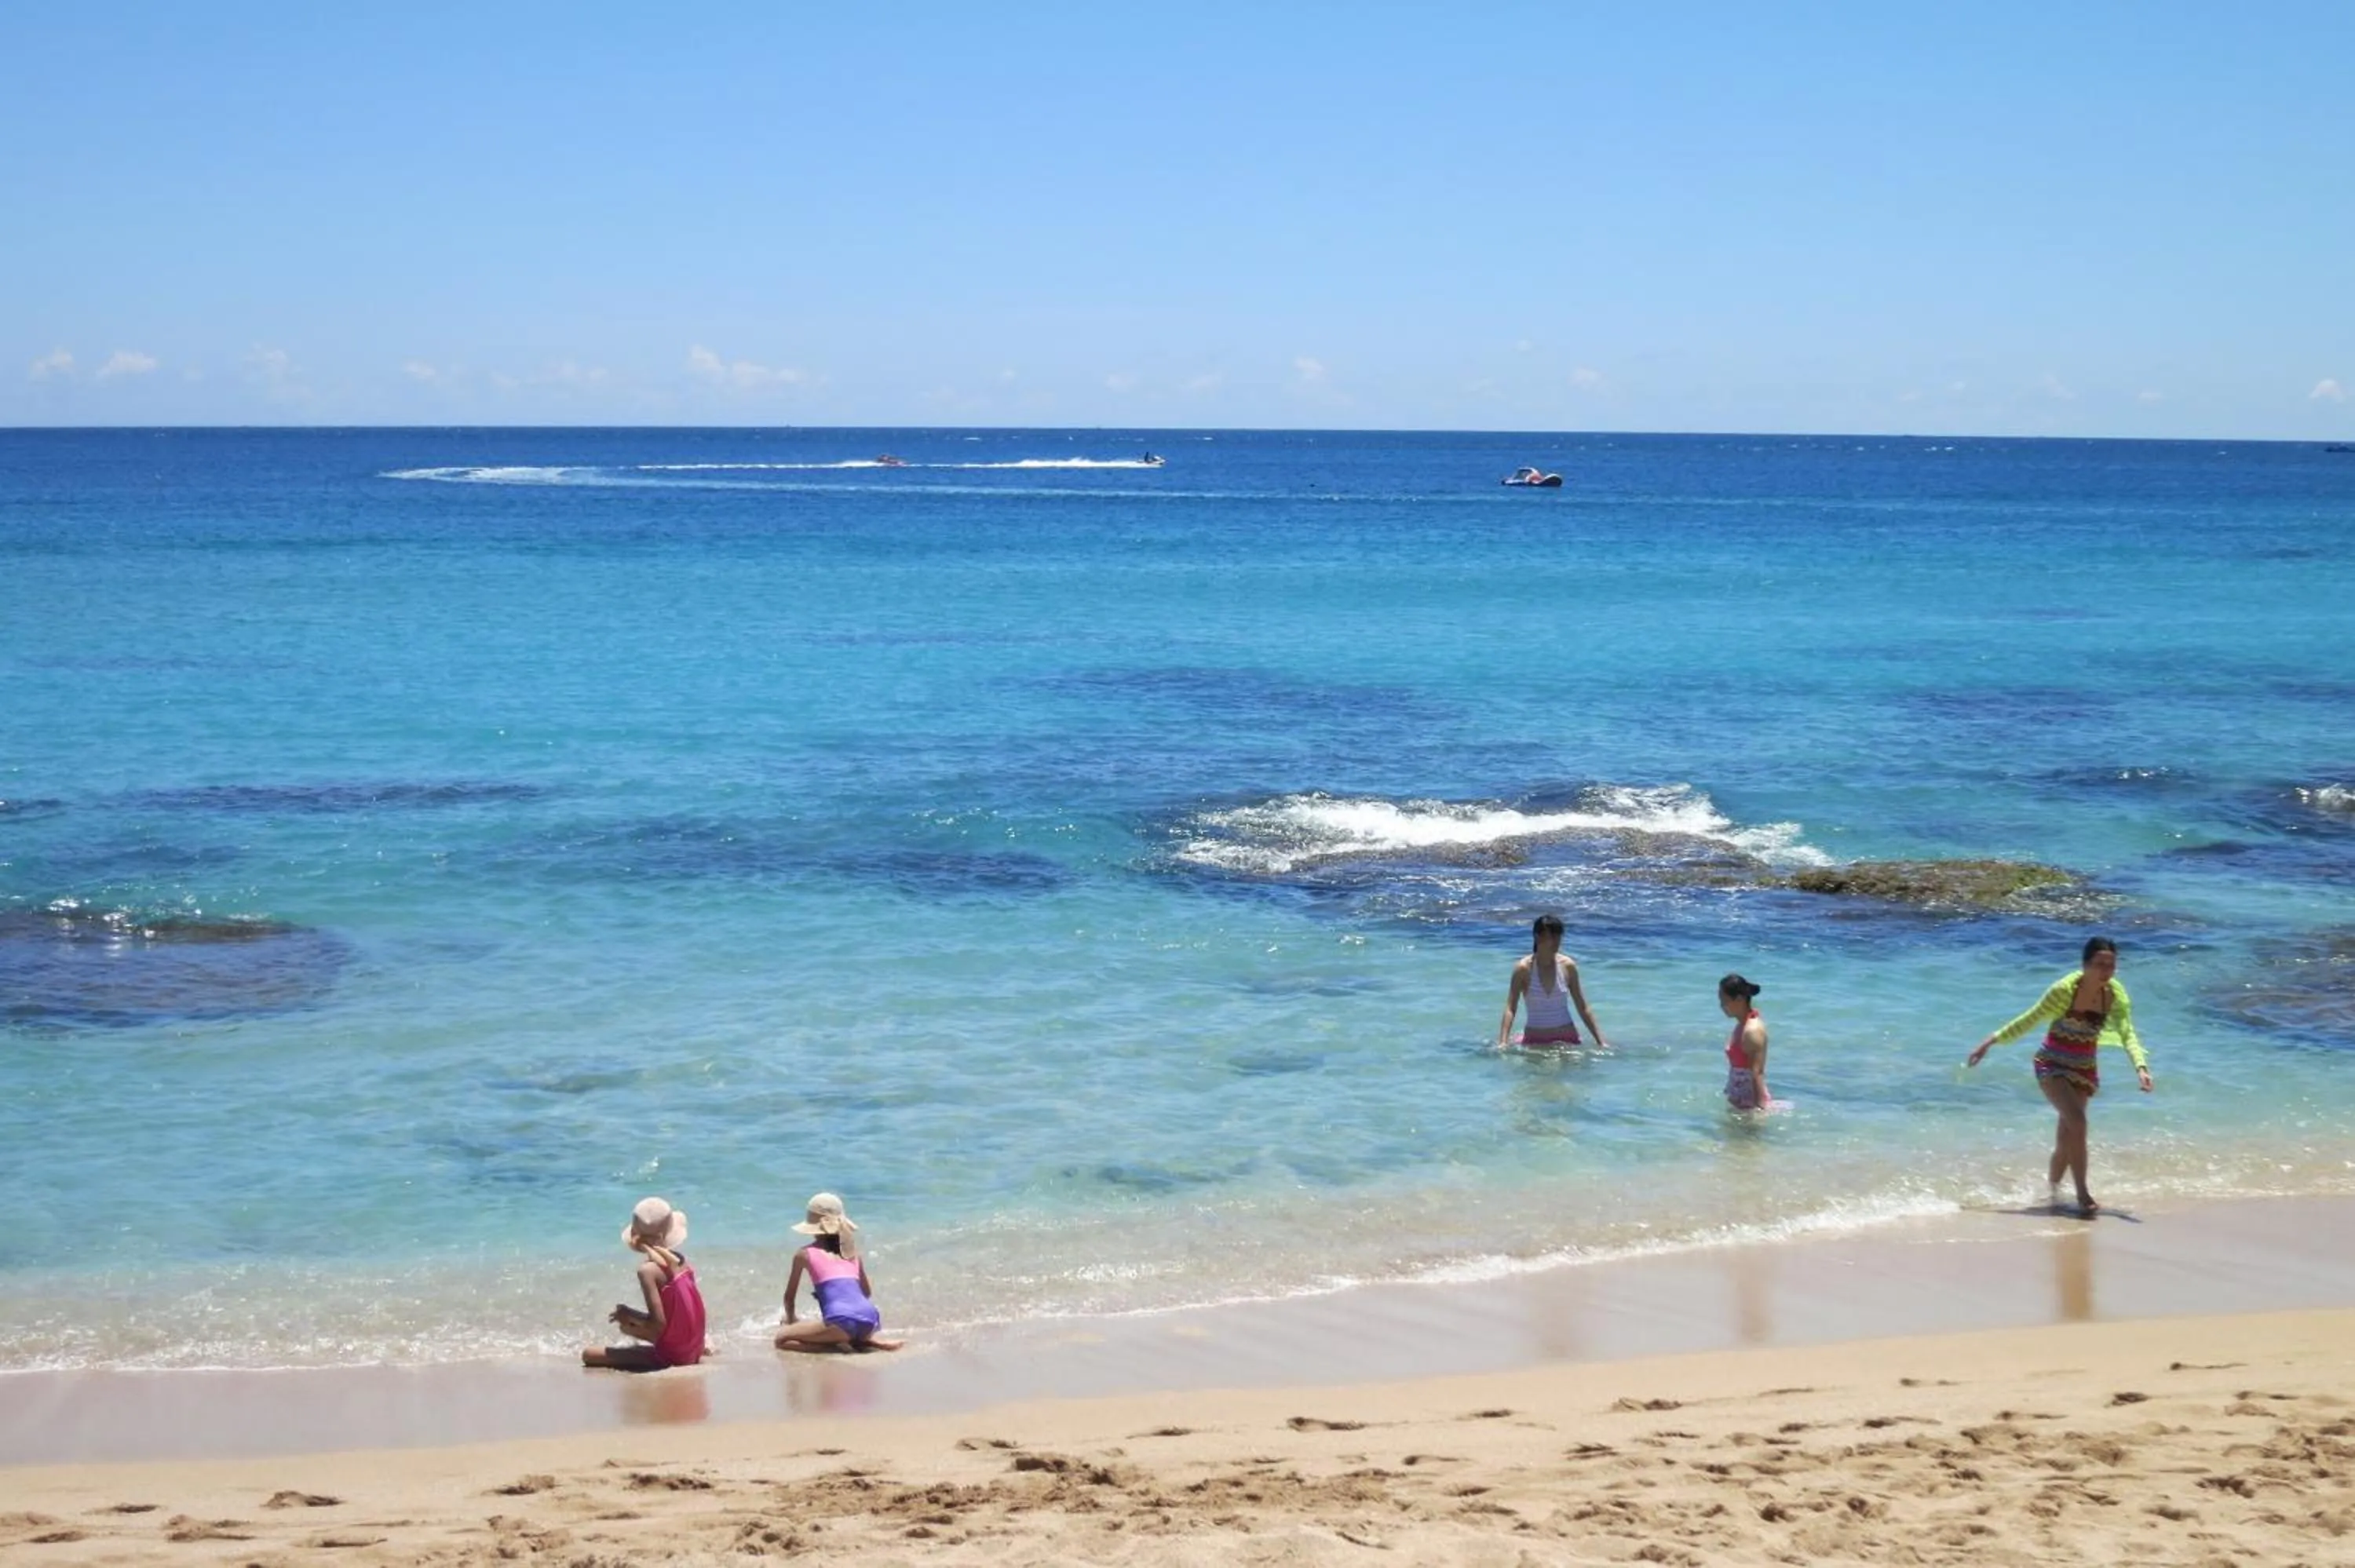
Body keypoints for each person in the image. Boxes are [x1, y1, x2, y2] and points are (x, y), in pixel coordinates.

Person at [1966, 937, 2154, 1215]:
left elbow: (2128, 1033)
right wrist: (1990, 1042)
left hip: (2084, 1069)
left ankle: (2052, 1194)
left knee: (2066, 1142)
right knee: (2078, 1123)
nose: (2106, 971)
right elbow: (2030, 1018)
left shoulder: (2114, 994)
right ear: (2085, 965)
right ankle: (2083, 1195)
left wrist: (2141, 1068)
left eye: (2111, 966)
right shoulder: (2064, 990)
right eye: (2100, 965)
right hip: (2052, 1064)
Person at [583, 1197, 707, 1369]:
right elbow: (677, 1314)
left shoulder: (648, 1271)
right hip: (696, 1346)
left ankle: (660, 1353)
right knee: (627, 1329)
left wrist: (630, 1316)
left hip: (675, 1356)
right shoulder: (680, 1260)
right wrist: (630, 1316)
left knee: (589, 1354)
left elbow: (659, 1325)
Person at [776, 1192, 904, 1354]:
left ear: (813, 1227)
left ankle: (835, 1347)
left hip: (840, 1323)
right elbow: (866, 1292)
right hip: (870, 1320)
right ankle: (866, 1341)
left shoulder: (804, 1254)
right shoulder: (852, 1253)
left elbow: (789, 1299)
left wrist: (791, 1321)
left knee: (781, 1340)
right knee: (844, 1326)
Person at [1495, 913, 1608, 1049]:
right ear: (1537, 937)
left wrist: (1601, 1042)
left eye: (1558, 936)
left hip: (1567, 1040)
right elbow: (1510, 1008)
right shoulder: (1523, 969)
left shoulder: (1568, 966)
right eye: (1552, 936)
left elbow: (1583, 1007)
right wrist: (1503, 1042)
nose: (1556, 941)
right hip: (1534, 1042)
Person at [1719, 973, 1770, 1110]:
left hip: (1750, 1104)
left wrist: (1759, 1110)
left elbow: (1757, 1073)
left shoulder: (1752, 1030)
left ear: (1739, 999)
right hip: (1739, 1100)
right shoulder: (1741, 1025)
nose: (1722, 1006)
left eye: (1724, 1001)